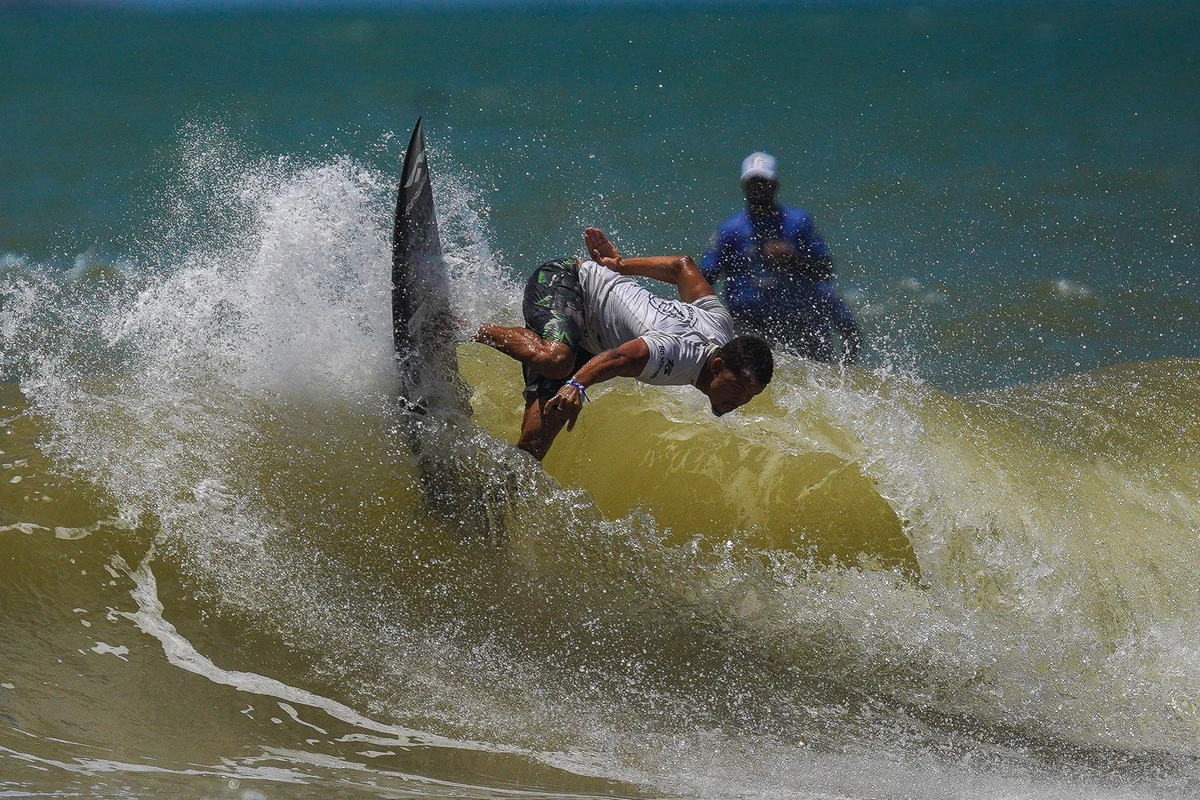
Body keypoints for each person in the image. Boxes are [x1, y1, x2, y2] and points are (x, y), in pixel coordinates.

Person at [473, 228, 774, 461]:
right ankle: (460, 326)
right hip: (568, 281)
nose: (740, 402)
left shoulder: (720, 324)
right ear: (718, 366)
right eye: (738, 388)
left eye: (749, 396)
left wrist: (620, 264)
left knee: (533, 446)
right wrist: (576, 387)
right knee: (557, 361)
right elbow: (620, 359)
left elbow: (682, 266)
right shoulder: (680, 355)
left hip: (590, 338)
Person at [702, 152, 862, 364]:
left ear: (775, 184)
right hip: (750, 325)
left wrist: (792, 258)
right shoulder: (729, 231)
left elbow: (825, 271)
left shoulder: (798, 223)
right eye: (752, 183)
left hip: (803, 323)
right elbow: (705, 279)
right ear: (744, 187)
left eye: (763, 183)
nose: (757, 189)